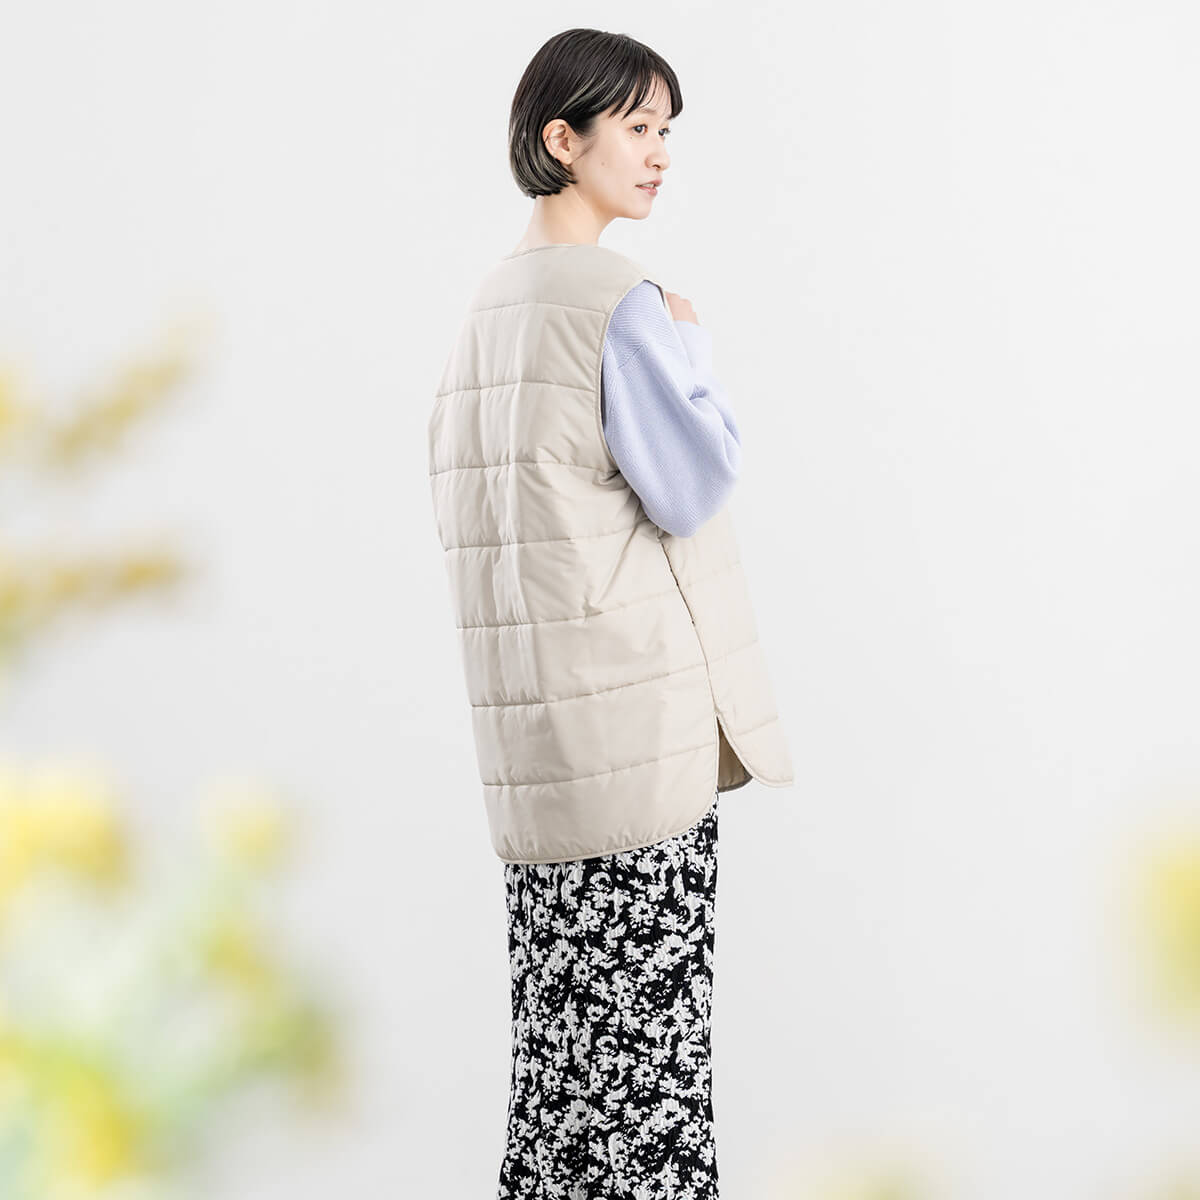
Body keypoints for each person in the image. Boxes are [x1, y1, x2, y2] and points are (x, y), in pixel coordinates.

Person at [426, 27, 795, 1199]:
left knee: (564, 1080)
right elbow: (693, 481)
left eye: (665, 130)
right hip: (635, 745)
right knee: (652, 1085)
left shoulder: (487, 311)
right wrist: (687, 341)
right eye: (636, 127)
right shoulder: (619, 303)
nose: (659, 153)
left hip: (535, 755)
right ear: (562, 139)